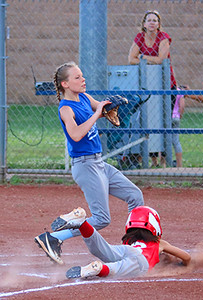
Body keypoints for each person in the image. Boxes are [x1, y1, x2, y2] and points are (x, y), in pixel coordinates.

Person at [34, 62, 144, 265]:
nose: (83, 80)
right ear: (65, 84)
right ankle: (53, 238)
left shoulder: (84, 97)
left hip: (99, 163)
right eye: (77, 77)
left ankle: (138, 245)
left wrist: (109, 105)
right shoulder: (65, 108)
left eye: (82, 76)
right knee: (101, 219)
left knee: (135, 196)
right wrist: (97, 114)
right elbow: (75, 135)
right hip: (85, 166)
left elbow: (101, 106)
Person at [49, 206, 191, 279]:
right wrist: (181, 264)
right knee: (118, 269)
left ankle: (82, 224)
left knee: (101, 249)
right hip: (141, 261)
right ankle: (99, 269)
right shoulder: (160, 243)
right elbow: (187, 257)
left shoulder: (129, 240)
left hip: (126, 251)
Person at [128, 10, 177, 168]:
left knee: (164, 122)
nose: (151, 23)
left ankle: (164, 160)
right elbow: (130, 59)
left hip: (165, 83)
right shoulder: (139, 37)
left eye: (155, 20)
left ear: (158, 24)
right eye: (148, 20)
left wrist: (142, 57)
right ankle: (153, 160)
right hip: (148, 84)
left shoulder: (164, 37)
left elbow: (162, 59)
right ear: (144, 23)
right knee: (148, 120)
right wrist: (149, 59)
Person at [171, 87, 185, 167]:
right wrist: (180, 115)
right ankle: (179, 164)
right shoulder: (179, 91)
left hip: (166, 117)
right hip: (175, 116)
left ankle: (164, 162)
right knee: (176, 140)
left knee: (164, 140)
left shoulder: (164, 89)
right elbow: (182, 106)